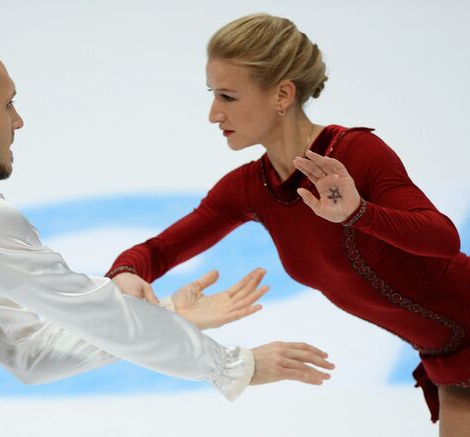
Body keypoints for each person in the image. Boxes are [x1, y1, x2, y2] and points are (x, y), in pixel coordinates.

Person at [0, 34, 335, 436]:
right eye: (8, 105)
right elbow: (104, 316)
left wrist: (170, 315)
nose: (18, 122)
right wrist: (235, 366)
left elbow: (31, 352)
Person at [107, 13, 470, 437]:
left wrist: (359, 214)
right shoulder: (250, 188)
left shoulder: (356, 153)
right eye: (213, 94)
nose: (212, 113)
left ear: (282, 94)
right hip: (449, 364)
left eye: (227, 96)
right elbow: (159, 251)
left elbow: (444, 239)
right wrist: (125, 273)